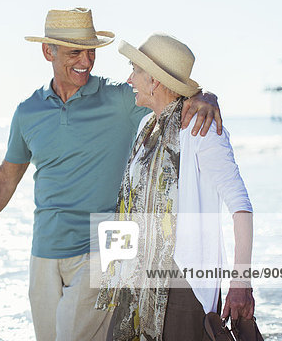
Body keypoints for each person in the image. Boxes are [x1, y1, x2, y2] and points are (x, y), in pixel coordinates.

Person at [0, 8, 223, 341]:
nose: (86, 60)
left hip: (106, 244)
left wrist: (206, 96)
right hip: (45, 248)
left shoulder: (120, 99)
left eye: (91, 51)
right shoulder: (28, 111)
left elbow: (169, 92)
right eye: (75, 52)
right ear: (47, 51)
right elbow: (7, 177)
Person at [96, 34, 254, 340]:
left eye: (135, 70)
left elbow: (241, 205)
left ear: (154, 81)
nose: (129, 78)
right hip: (137, 280)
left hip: (183, 283)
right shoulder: (146, 127)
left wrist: (241, 281)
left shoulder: (201, 129)